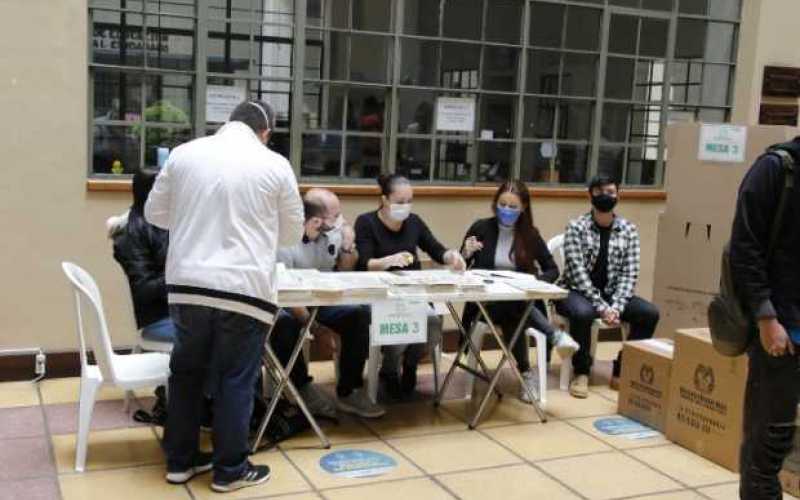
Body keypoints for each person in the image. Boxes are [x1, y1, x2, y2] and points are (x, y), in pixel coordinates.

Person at [145, 100, 304, 493]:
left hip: (188, 287)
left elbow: (154, 214)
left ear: (227, 123)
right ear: (265, 132)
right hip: (244, 291)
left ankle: (179, 463)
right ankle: (230, 471)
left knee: (185, 375)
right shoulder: (274, 164)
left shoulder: (184, 154)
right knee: (236, 379)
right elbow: (290, 235)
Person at [460, 180, 579, 403]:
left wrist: (533, 283)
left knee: (513, 308)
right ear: (495, 204)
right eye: (502, 204)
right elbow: (459, 269)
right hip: (484, 304)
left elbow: (552, 269)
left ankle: (527, 372)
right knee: (514, 309)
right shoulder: (481, 228)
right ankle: (547, 344)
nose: (506, 210)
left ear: (523, 207)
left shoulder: (530, 234)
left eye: (513, 206)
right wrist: (465, 254)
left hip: (519, 302)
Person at [272, 188, 385, 419]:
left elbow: (344, 271)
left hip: (320, 298)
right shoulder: (284, 242)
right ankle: (301, 387)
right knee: (286, 325)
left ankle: (349, 390)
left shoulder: (331, 234)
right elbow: (284, 294)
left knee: (358, 314)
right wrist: (317, 329)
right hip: (288, 301)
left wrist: (347, 245)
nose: (340, 220)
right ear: (315, 220)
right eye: (335, 215)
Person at [354, 174, 466, 398]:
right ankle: (389, 369)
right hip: (380, 294)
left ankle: (411, 364)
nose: (405, 207)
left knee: (432, 322)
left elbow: (436, 249)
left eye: (409, 201)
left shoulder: (414, 222)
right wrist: (388, 261)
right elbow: (364, 263)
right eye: (399, 202)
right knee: (402, 323)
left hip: (413, 292)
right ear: (385, 199)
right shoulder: (366, 222)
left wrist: (453, 256)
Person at [730, 139, 800, 500]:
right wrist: (765, 316)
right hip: (782, 332)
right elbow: (744, 248)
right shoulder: (776, 169)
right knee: (768, 444)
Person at [556, 175, 659, 399]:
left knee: (649, 313)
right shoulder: (576, 227)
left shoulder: (629, 230)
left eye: (611, 192)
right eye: (600, 192)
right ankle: (581, 372)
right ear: (590, 194)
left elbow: (629, 274)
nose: (606, 196)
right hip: (576, 291)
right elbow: (577, 274)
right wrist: (603, 307)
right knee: (582, 313)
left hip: (613, 295)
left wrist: (618, 307)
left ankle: (623, 370)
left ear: (618, 195)